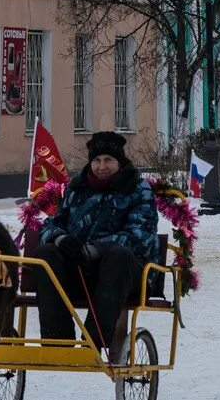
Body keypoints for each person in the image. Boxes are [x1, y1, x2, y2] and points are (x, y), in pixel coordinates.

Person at [34, 131, 158, 362]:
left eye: (108, 160)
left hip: (124, 276)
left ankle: (94, 339)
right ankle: (57, 341)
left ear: (120, 162)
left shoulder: (138, 189)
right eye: (97, 160)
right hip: (81, 273)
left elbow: (139, 237)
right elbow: (52, 223)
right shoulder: (77, 188)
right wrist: (60, 239)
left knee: (118, 255)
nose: (102, 166)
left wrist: (96, 248)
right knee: (46, 253)